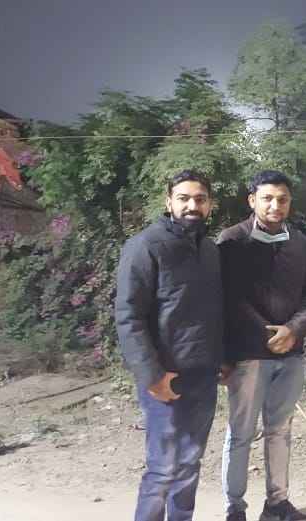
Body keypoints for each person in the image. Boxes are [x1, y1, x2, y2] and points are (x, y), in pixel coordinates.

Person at [115, 170, 224, 521]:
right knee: (162, 469)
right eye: (184, 198)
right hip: (165, 378)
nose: (192, 205)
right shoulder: (146, 246)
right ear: (169, 202)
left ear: (209, 204)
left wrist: (220, 359)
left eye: (200, 199)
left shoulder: (209, 249)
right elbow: (128, 316)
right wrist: (151, 376)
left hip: (203, 376)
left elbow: (215, 310)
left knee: (190, 463)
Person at [217, 171, 306, 521]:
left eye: (282, 199)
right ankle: (235, 508)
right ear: (252, 200)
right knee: (241, 433)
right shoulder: (232, 241)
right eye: (267, 198)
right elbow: (229, 296)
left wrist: (293, 329)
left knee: (280, 430)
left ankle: (277, 503)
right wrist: (266, 334)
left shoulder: (300, 243)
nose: (275, 205)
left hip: (291, 355)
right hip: (249, 355)